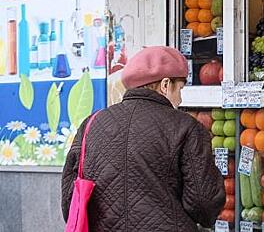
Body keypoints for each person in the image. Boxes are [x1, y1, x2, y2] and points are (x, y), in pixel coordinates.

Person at [61, 46, 225, 231]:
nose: (179, 99)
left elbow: (70, 199)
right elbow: (204, 202)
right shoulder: (186, 127)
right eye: (179, 89)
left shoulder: (91, 124)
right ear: (165, 85)